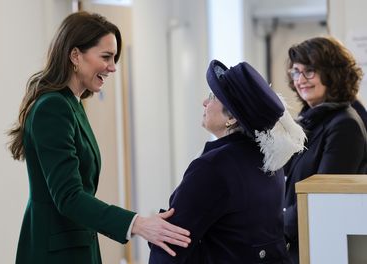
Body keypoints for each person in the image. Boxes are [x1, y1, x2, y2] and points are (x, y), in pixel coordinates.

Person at [7, 11, 190, 264]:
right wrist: (136, 224)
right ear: (75, 55)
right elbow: (69, 197)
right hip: (56, 253)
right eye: (106, 57)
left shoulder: (73, 104)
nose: (113, 67)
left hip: (76, 244)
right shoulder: (53, 107)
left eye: (114, 58)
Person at [149, 59, 307, 263]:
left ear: (231, 118)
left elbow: (171, 243)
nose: (204, 103)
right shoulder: (268, 158)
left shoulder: (213, 167)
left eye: (212, 97)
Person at [283, 36, 367, 264]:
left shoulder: (344, 124)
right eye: (296, 72)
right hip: (301, 239)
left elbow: (321, 197)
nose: (301, 80)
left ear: (332, 73)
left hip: (321, 245)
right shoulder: (311, 120)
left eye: (310, 71)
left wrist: (276, 227)